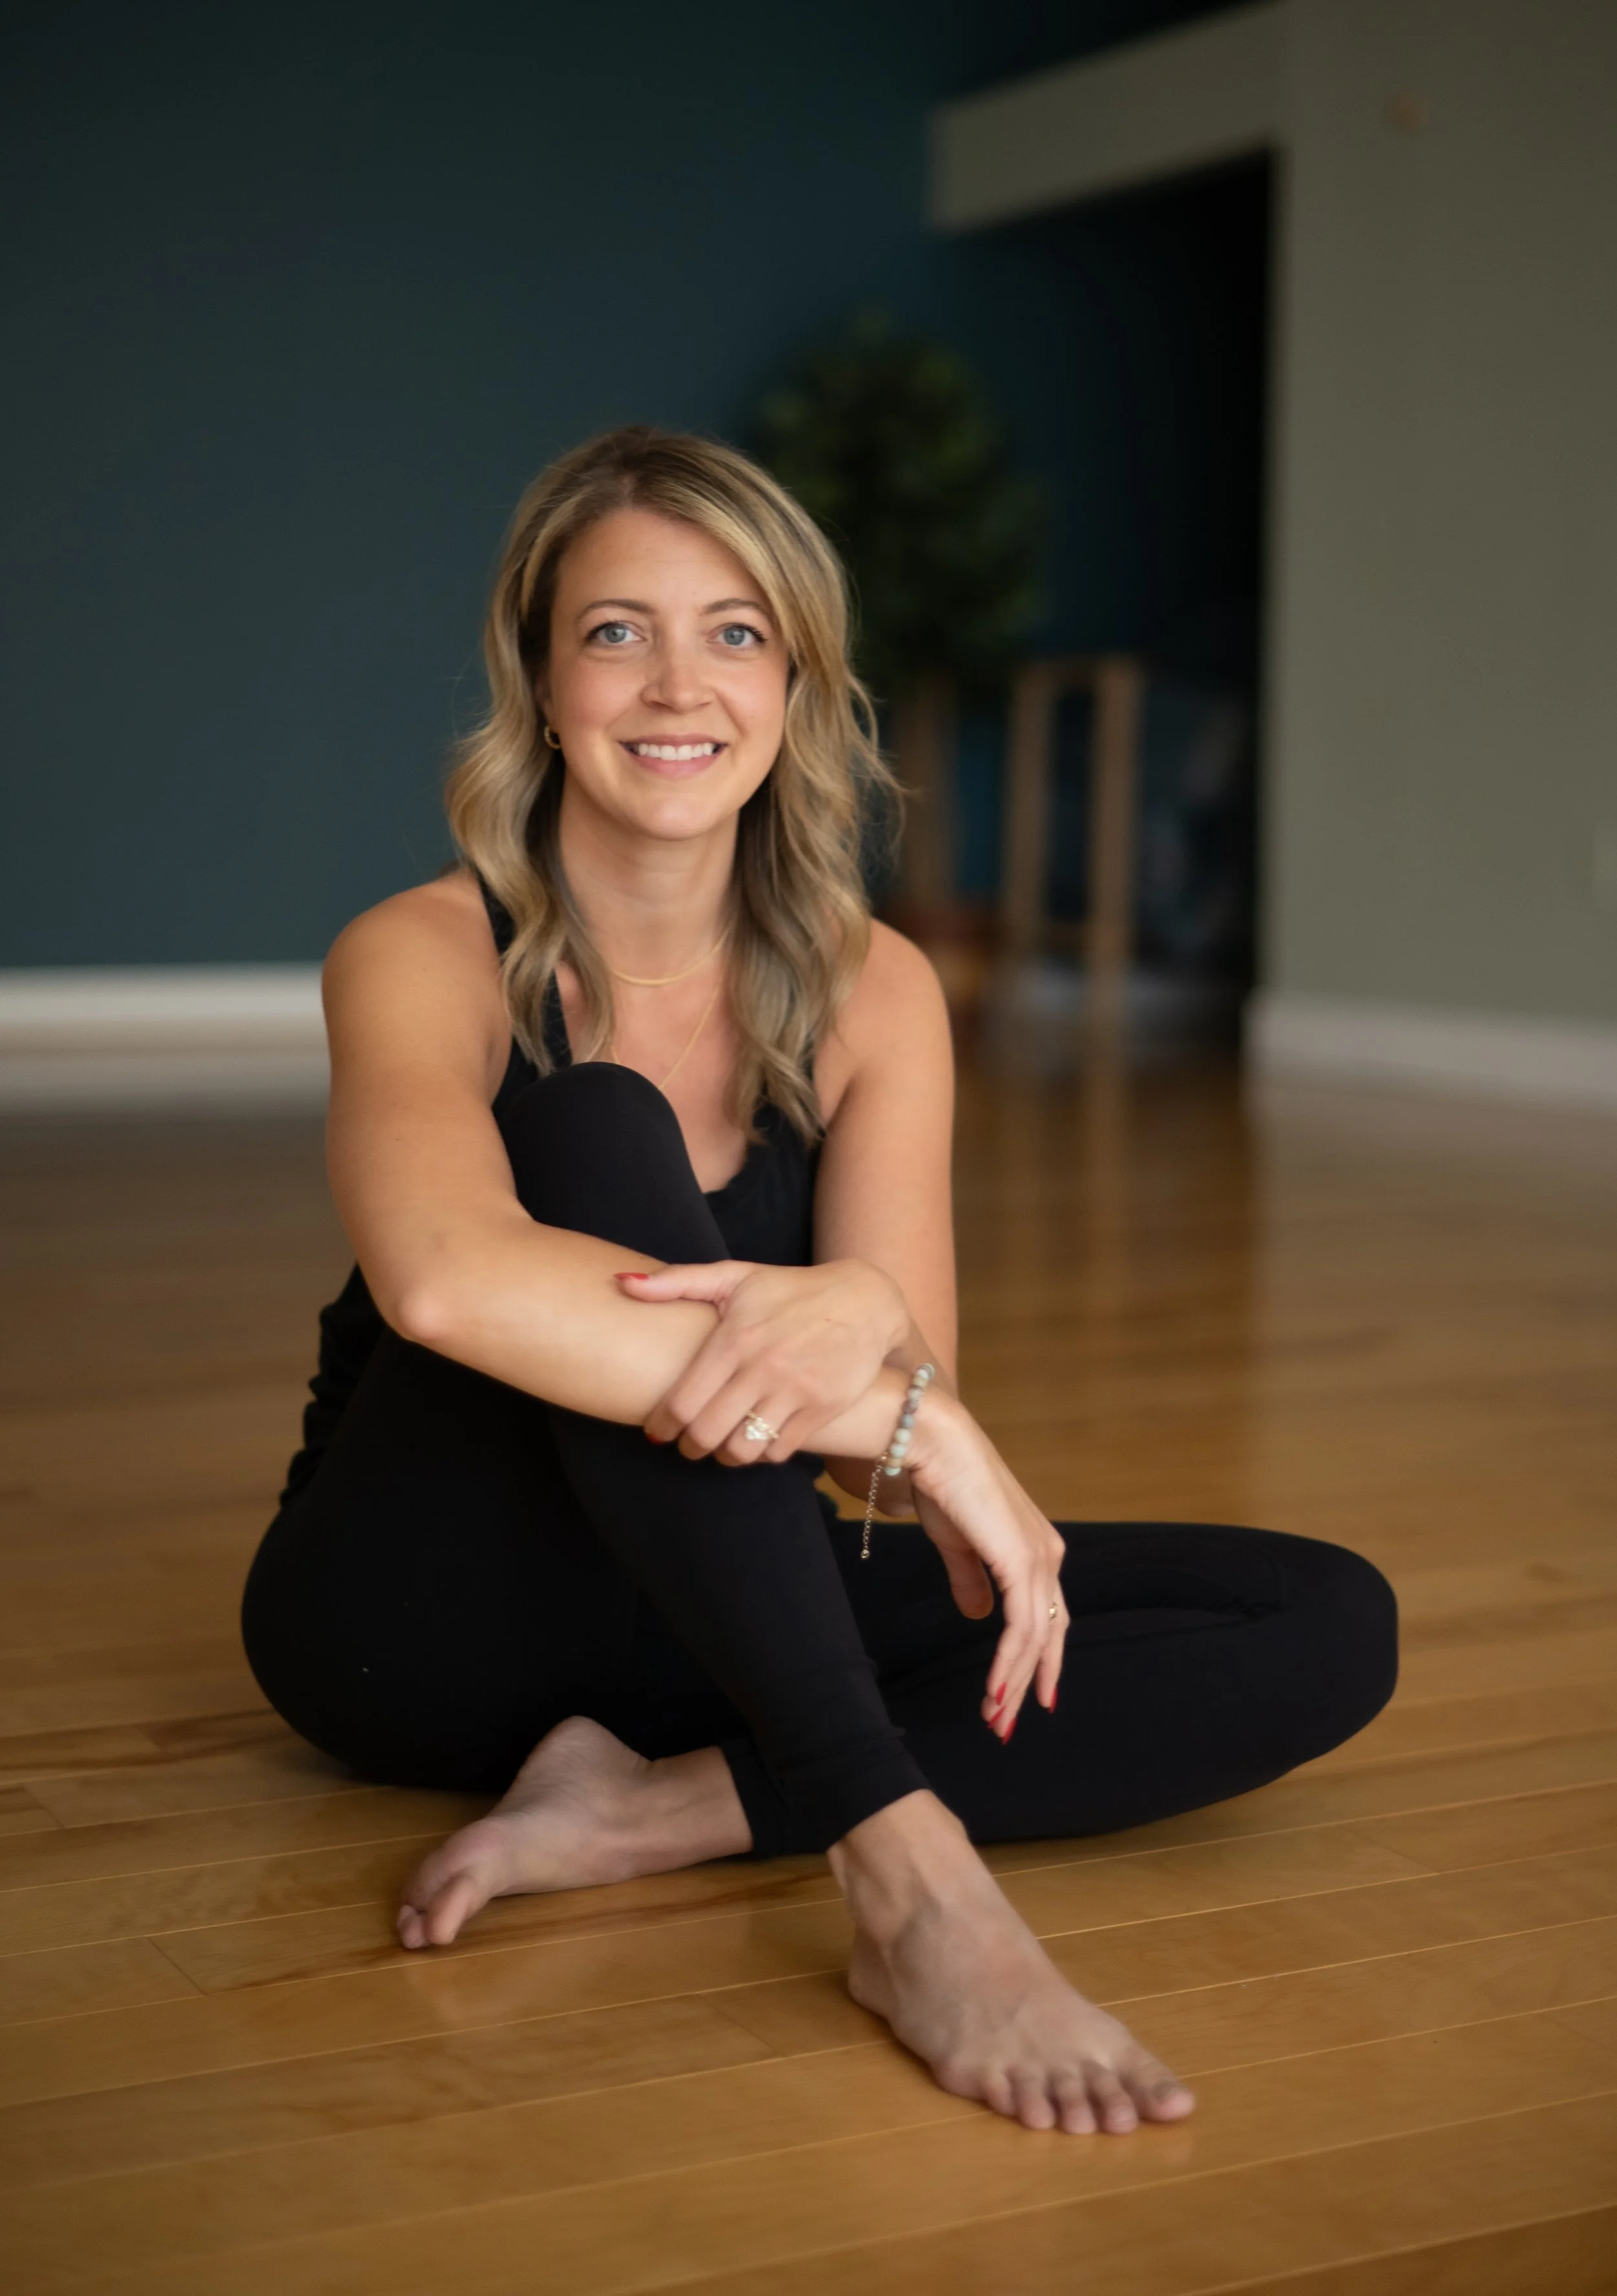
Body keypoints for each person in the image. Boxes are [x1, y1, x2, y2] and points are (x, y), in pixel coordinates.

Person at [241, 426, 1397, 2138]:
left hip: (720, 1617)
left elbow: (883, 1440)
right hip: (421, 1625)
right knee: (600, 1124)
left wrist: (889, 1366)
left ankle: (655, 1808)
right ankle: (905, 1871)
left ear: (793, 683)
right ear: (541, 680)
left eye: (735, 632)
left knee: (1317, 1620)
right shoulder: (422, 951)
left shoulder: (877, 990)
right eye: (616, 631)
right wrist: (918, 1417)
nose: (676, 684)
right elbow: (446, 1286)